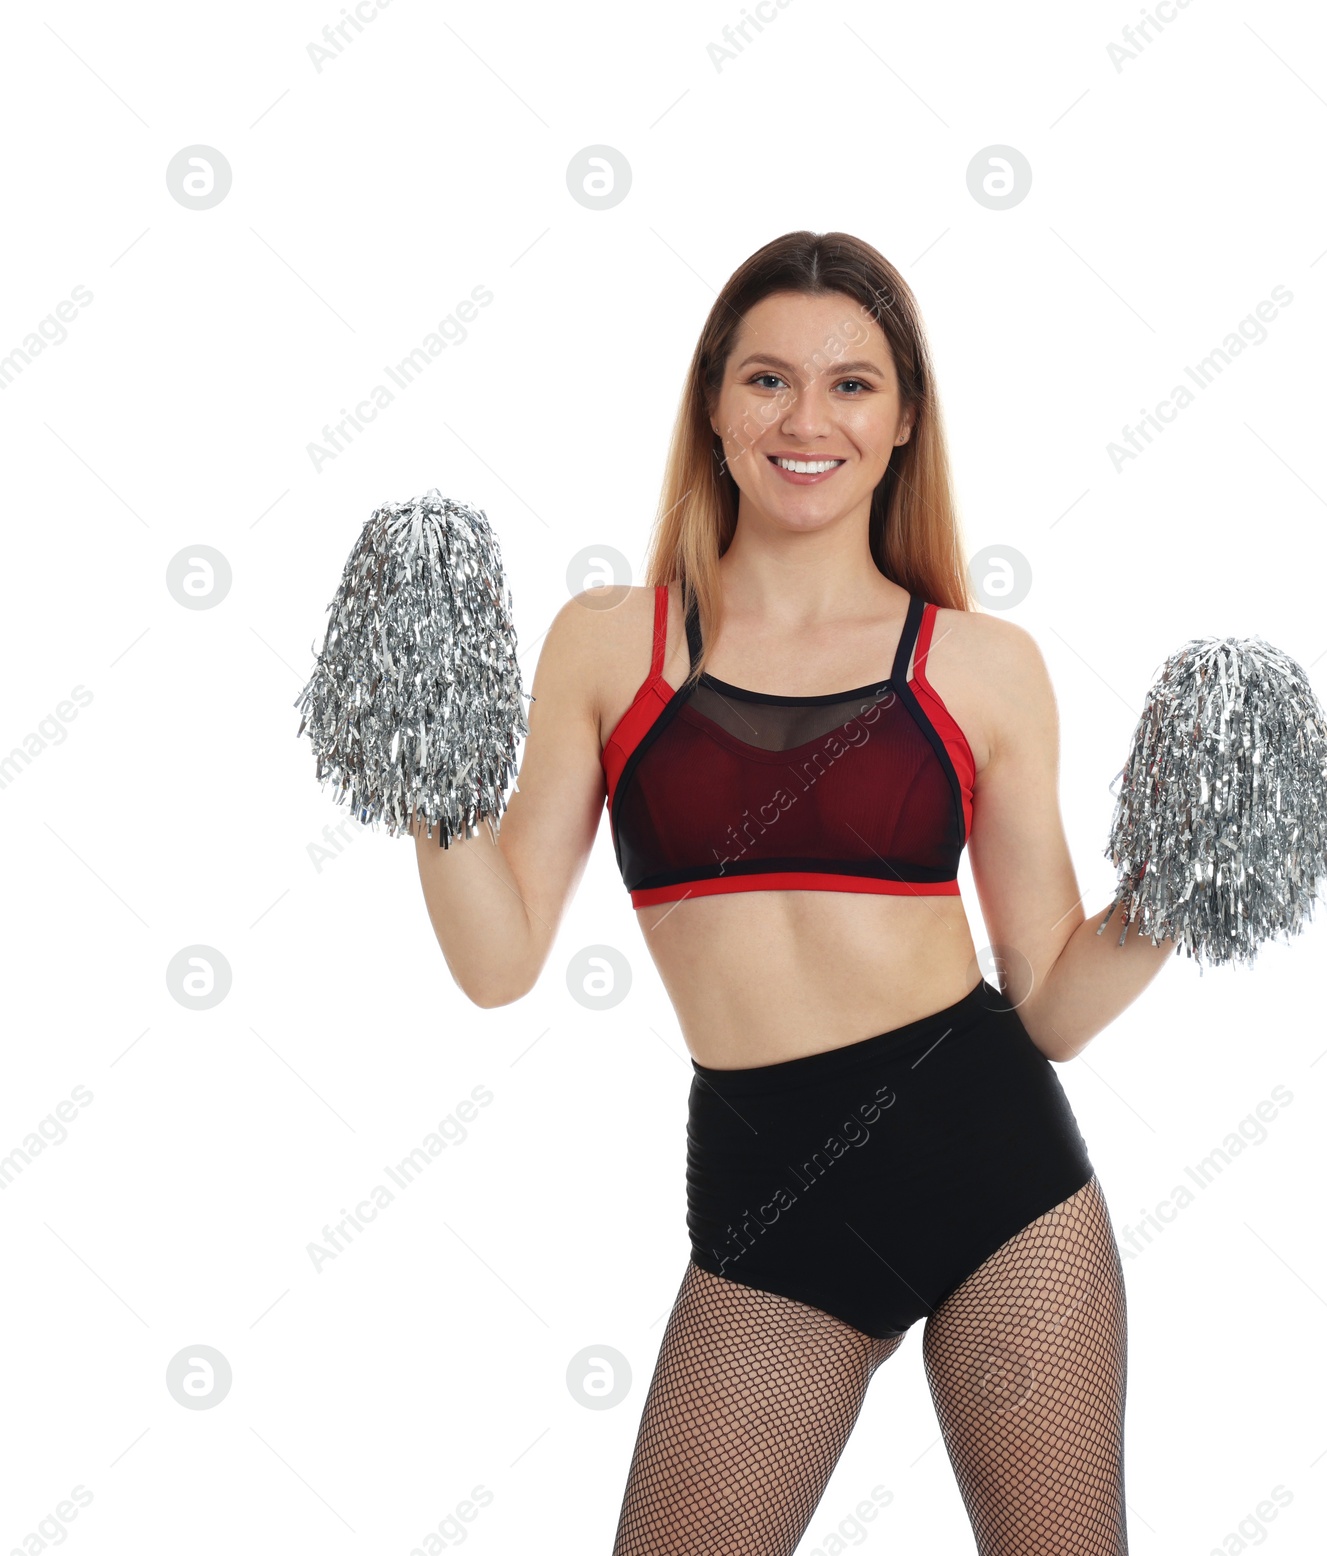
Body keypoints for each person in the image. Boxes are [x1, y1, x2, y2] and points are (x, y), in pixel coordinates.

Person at [409, 231, 1174, 1555]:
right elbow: (498, 959)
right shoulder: (609, 643)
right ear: (712, 405)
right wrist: (418, 763)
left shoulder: (979, 665)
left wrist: (1182, 888)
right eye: (767, 379)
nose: (806, 418)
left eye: (852, 385)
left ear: (904, 420)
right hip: (771, 1207)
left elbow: (1049, 997)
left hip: (996, 1179)